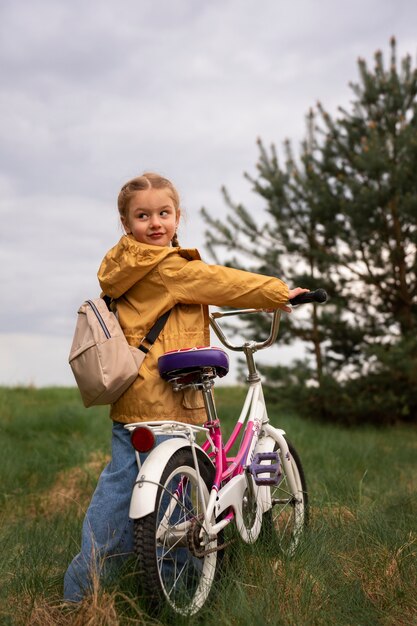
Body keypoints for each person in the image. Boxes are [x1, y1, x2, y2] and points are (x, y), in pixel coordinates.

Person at [64, 172, 308, 602]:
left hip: (132, 401)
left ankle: (83, 590)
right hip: (168, 401)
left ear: (178, 217)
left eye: (163, 213)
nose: (155, 223)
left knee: (119, 493)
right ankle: (184, 586)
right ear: (126, 223)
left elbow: (166, 315)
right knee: (179, 501)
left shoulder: (125, 266)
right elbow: (221, 281)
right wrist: (277, 292)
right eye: (143, 216)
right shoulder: (168, 267)